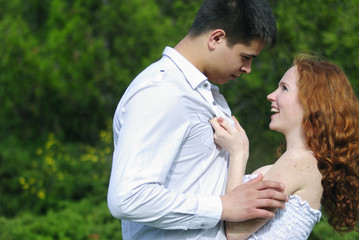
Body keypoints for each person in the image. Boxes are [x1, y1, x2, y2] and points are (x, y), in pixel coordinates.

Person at [107, 0, 288, 239]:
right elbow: (128, 198)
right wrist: (222, 207)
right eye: (245, 56)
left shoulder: (201, 93)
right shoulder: (163, 92)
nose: (248, 69)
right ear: (216, 38)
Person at [210, 54, 359, 239]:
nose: (271, 95)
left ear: (311, 103)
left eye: (284, 88)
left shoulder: (300, 161)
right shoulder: (297, 163)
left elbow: (234, 231)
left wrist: (238, 154)